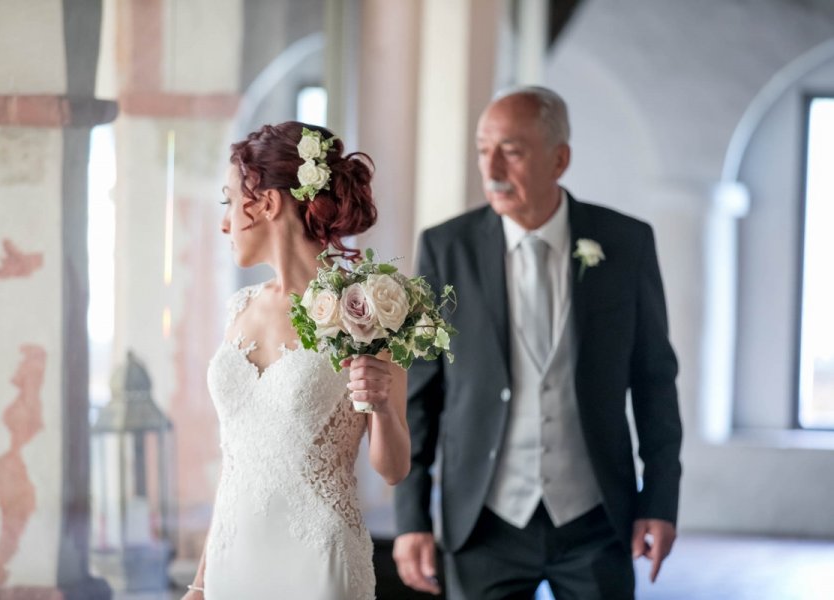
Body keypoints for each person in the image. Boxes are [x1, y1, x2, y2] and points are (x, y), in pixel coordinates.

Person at [392, 86, 683, 599]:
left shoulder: (625, 243)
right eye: (484, 149)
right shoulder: (445, 248)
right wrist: (412, 517)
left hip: (596, 521)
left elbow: (655, 382)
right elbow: (422, 393)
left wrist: (659, 499)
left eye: (513, 150)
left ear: (560, 158)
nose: (492, 167)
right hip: (484, 523)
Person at [183, 121, 410, 600]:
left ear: (266, 203)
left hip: (316, 561)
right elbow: (236, 462)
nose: (224, 222)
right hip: (232, 561)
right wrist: (201, 582)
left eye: (229, 202)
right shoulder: (239, 308)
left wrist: (383, 404)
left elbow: (392, 469)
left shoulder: (365, 308)